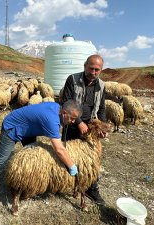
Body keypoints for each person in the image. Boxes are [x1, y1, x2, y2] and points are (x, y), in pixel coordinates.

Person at [0, 100, 82, 215]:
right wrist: (71, 166)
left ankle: (26, 185)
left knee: (32, 159)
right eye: (71, 118)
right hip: (12, 127)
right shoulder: (51, 119)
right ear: (64, 112)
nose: (72, 122)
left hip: (28, 130)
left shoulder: (57, 108)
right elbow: (59, 149)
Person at [61, 54, 108, 205]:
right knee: (67, 156)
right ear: (85, 66)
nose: (93, 72)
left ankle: (91, 189)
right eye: (91, 68)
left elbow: (101, 108)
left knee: (91, 161)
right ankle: (65, 183)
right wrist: (79, 122)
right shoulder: (73, 80)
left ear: (100, 70)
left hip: (90, 129)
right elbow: (66, 102)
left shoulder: (101, 85)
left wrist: (102, 126)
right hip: (72, 125)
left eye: (97, 70)